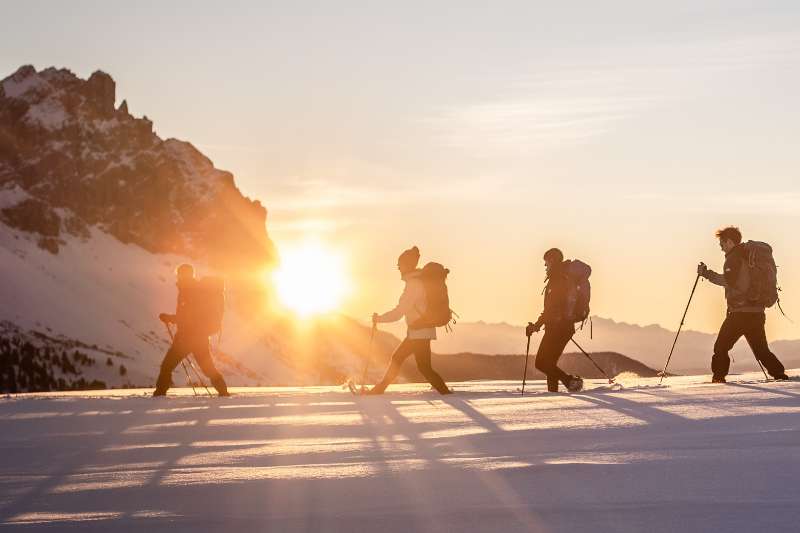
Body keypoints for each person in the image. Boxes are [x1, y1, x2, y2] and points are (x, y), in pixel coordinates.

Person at [698, 226, 789, 383]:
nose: (721, 247)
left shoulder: (734, 258)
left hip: (740, 314)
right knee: (761, 349)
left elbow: (728, 281)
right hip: (757, 312)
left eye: (722, 243)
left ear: (729, 242)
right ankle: (779, 375)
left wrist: (706, 273)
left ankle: (718, 379)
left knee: (721, 347)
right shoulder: (748, 256)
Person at [367, 246, 451, 395]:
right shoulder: (417, 281)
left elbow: (399, 312)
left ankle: (379, 389)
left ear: (407, 265)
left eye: (400, 264)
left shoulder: (413, 285)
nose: (398, 268)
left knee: (414, 364)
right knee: (418, 365)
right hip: (419, 330)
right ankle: (445, 392)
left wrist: (379, 319)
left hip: (419, 331)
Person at [153, 264, 230, 396]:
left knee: (167, 366)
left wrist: (170, 318)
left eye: (179, 274)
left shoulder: (189, 291)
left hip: (186, 338)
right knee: (208, 369)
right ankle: (223, 391)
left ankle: (160, 393)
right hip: (200, 337)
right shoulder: (193, 289)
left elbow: (187, 316)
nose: (177, 277)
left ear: (183, 275)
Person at [526, 248, 584, 393]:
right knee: (549, 363)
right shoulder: (560, 278)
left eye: (546, 262)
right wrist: (537, 325)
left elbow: (551, 309)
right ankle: (553, 393)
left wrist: (536, 326)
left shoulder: (557, 279)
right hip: (562, 328)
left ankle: (570, 381)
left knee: (541, 363)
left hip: (558, 329)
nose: (545, 265)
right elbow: (551, 309)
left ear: (552, 260)